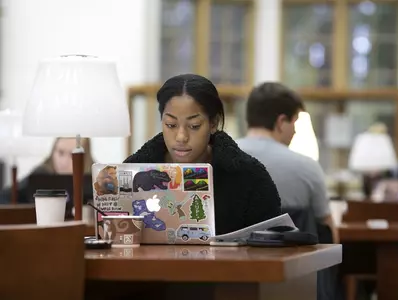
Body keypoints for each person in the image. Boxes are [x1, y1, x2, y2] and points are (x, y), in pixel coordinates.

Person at [124, 74, 281, 235]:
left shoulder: (249, 176)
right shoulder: (131, 171)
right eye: (171, 125)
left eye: (194, 126)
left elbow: (272, 244)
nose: (181, 137)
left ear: (213, 123)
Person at [236, 82, 338, 243]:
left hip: (232, 265)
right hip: (294, 266)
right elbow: (328, 232)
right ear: (281, 122)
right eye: (295, 122)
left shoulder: (217, 160)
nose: (295, 130)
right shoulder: (308, 167)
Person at [0, 137, 95, 204]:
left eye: (72, 155)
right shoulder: (40, 175)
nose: (64, 161)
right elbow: (5, 196)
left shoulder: (96, 179)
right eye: (60, 153)